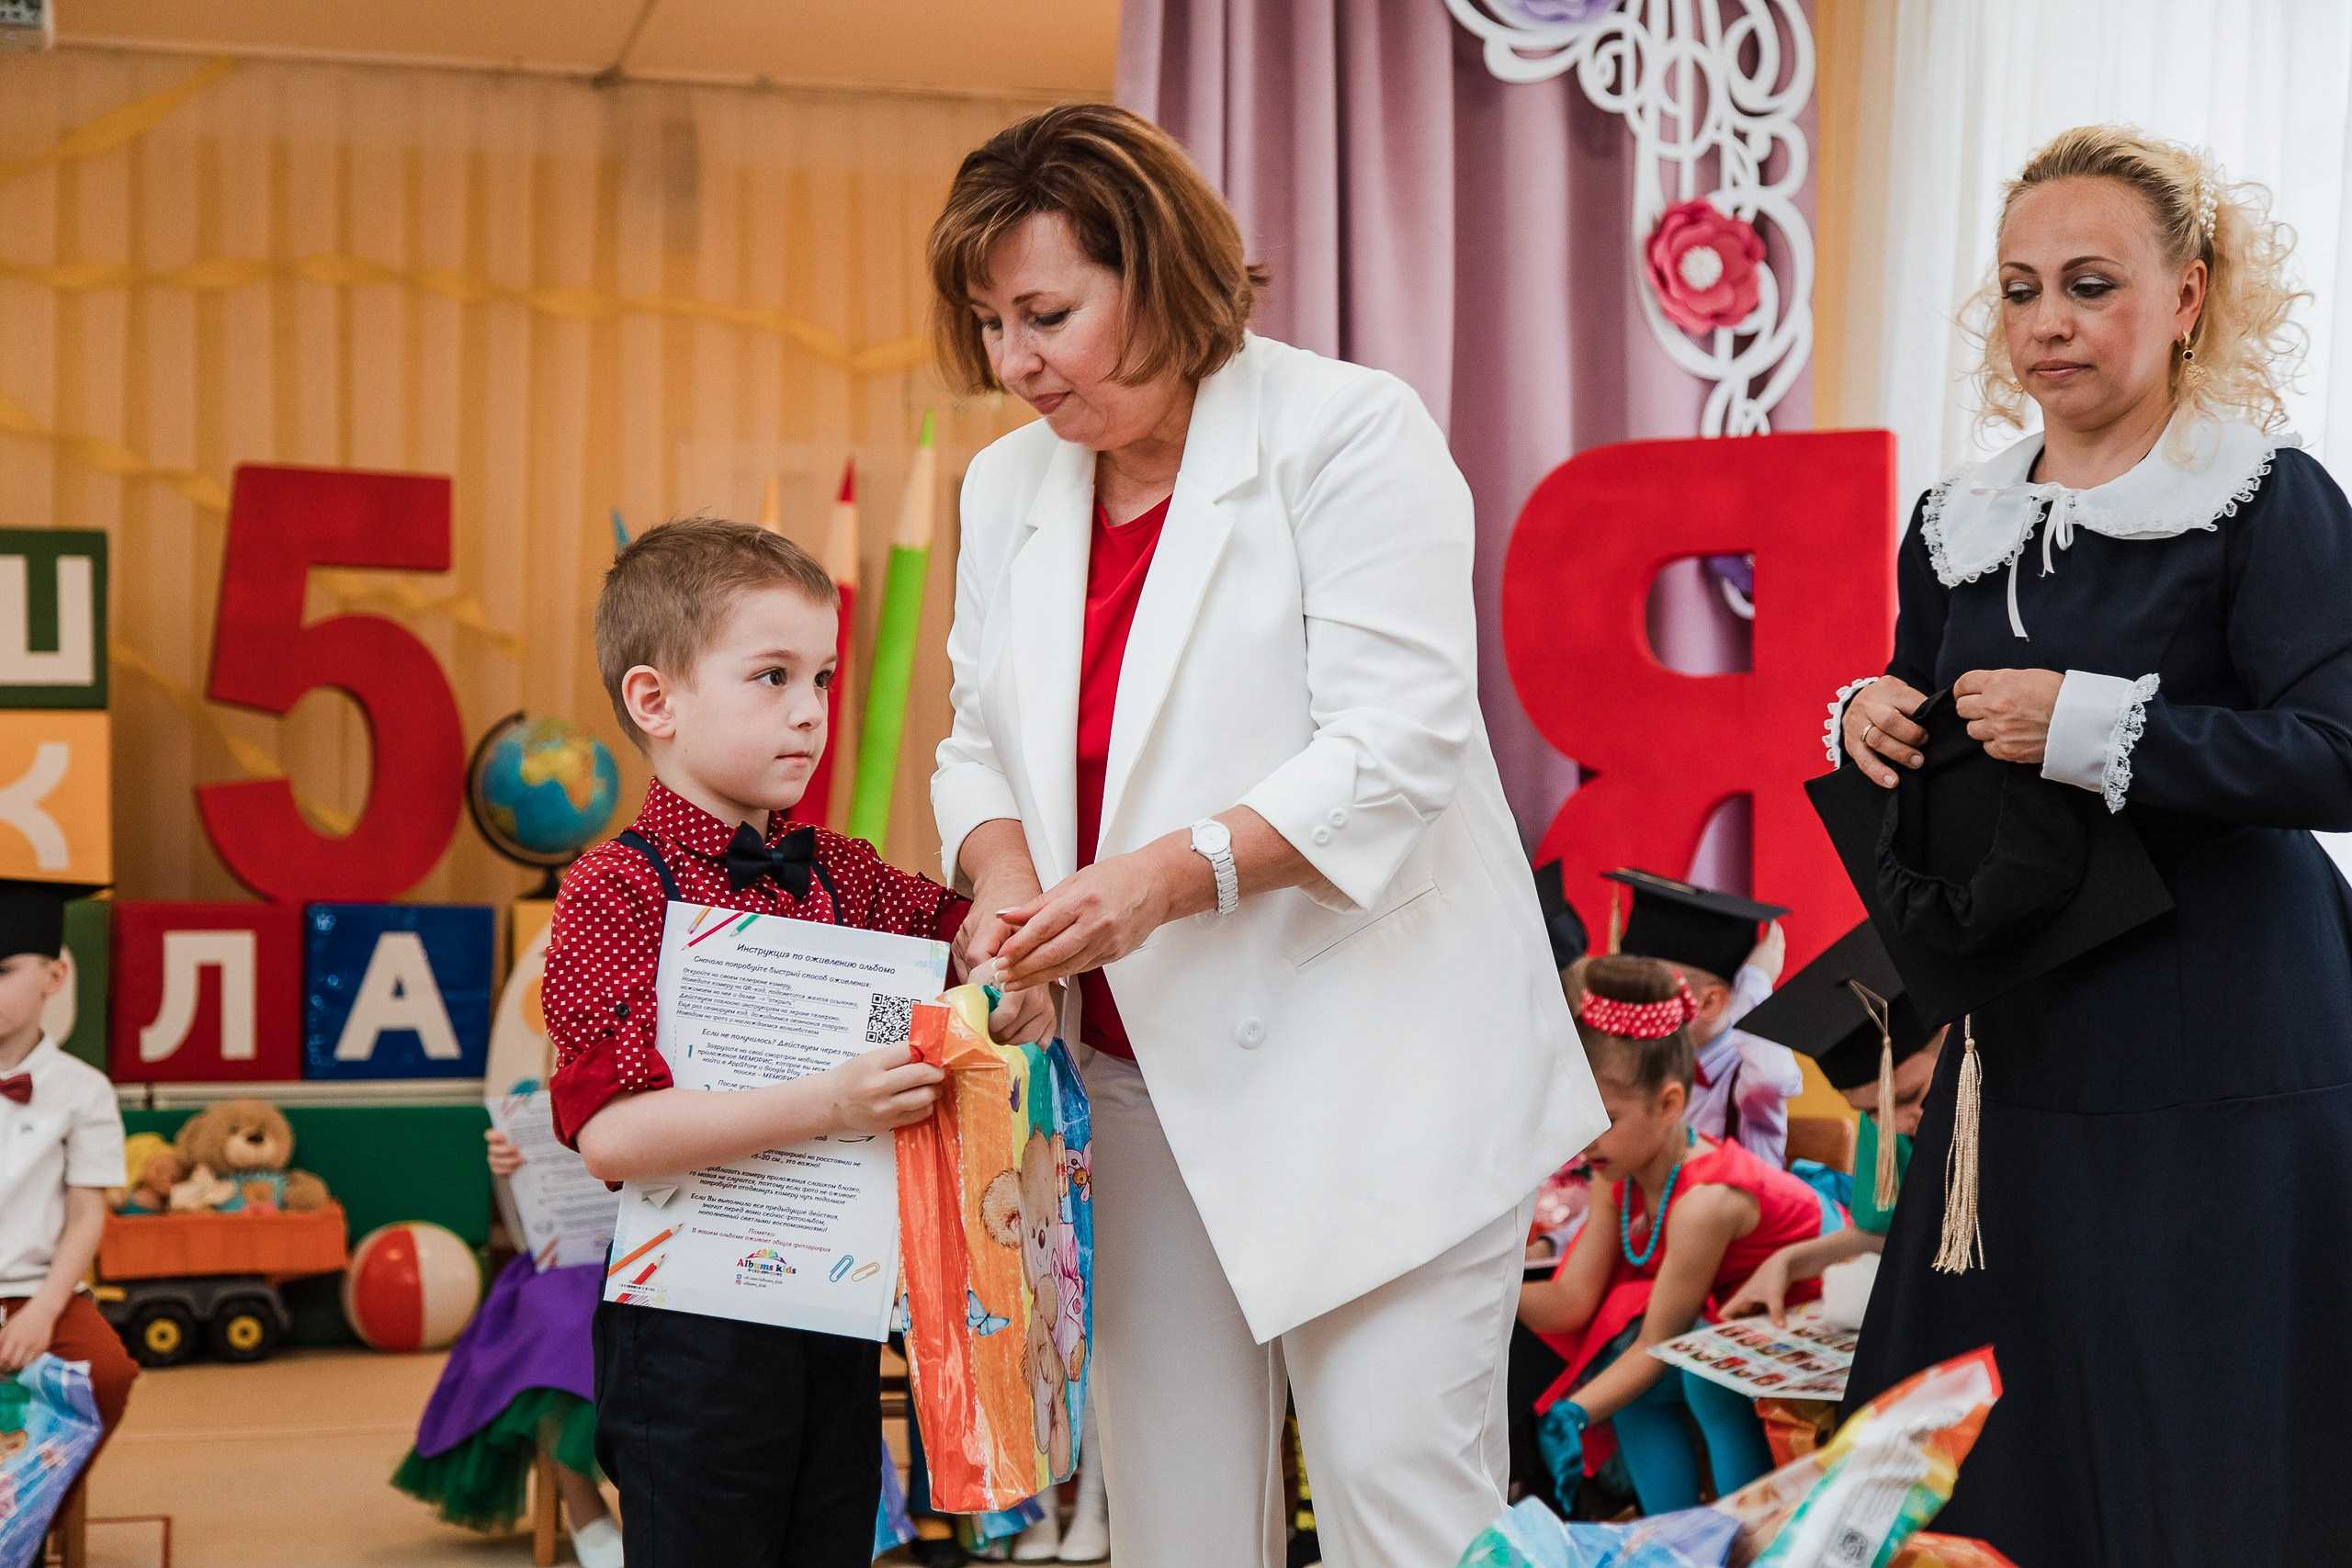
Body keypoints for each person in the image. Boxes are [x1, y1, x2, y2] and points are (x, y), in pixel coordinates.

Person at [927, 104, 1604, 1568]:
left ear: (1159, 271)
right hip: (1135, 1080)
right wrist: (1006, 881)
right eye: (990, 324)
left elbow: (1396, 741)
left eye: (1046, 315)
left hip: (1380, 1073)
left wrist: (1162, 879)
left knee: (1395, 1501)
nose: (1014, 363)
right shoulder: (1007, 486)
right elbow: (976, 739)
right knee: (1177, 1525)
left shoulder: (1345, 429)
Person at [1830, 127, 2352, 1564]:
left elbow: (2337, 751)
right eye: (2019, 289)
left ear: (2187, 295)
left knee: (2205, 1441)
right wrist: (1874, 715)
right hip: (2025, 1052)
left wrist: (2096, 721)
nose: (2047, 320)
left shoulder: (2266, 497)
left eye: (2089, 283)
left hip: (2226, 1045)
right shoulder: (1957, 522)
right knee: (2001, 1460)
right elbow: (1941, 758)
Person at [543, 520, 1042, 1567]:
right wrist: (833, 1102)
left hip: (837, 1309)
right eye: (771, 677)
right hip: (689, 1330)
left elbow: (973, 946)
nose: (811, 711)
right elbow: (613, 1137)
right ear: (654, 701)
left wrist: (1010, 983)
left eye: (821, 676)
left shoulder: (844, 874)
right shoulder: (612, 891)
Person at [1515, 956, 1838, 1516]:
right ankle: (1671, 1535)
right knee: (1634, 1377)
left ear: (1668, 1104)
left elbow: (1656, 1344)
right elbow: (1572, 1301)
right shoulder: (1615, 1175)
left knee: (1703, 1379)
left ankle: (1740, 1537)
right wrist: (1486, 1288)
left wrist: (1575, 1412)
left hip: (1814, 1296)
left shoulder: (1703, 1203)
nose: (1582, 1139)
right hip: (1735, 1311)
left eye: (1603, 1117)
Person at [391, 1128, 618, 1568]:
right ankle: (584, 1507)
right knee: (559, 1325)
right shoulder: (540, 1102)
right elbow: (524, 1233)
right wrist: (512, 1174)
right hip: (567, 1261)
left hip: (664, 1248)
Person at [1721, 923, 1947, 1325]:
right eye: (1871, 1111)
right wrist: (1788, 1262)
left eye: (1910, 1096)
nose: (1897, 1125)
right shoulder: (1886, 1132)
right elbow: (1883, 1232)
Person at [0, 882, 139, 1473]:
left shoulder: (84, 1090)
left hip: (40, 1288)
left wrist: (42, 1310)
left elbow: (86, 1214)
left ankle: (31, 1506)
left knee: (106, 1374)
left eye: (3, 971)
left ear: (54, 977)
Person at [1606, 870, 1802, 1167]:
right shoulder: (1640, 1066)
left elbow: (1772, 1078)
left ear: (1708, 1003)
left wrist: (1754, 982)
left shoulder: (1745, 1072)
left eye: (1644, 992)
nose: (1629, 1004)